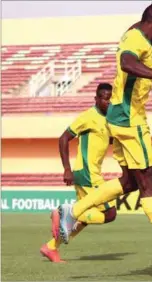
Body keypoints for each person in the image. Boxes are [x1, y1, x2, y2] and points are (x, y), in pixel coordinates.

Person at [53, 2, 152, 263]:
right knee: (149, 182)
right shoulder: (138, 43)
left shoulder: (132, 33)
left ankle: (73, 210)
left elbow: (136, 29)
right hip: (130, 120)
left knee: (130, 182)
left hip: (117, 117)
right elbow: (126, 63)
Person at [40, 83, 121, 263]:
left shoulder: (108, 119)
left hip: (91, 173)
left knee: (85, 218)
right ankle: (63, 213)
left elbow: (103, 140)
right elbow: (64, 138)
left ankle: (51, 247)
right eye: (105, 98)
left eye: (111, 99)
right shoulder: (88, 117)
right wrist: (67, 169)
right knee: (110, 214)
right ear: (96, 99)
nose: (108, 102)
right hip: (87, 174)